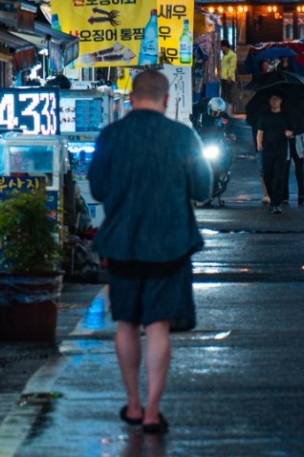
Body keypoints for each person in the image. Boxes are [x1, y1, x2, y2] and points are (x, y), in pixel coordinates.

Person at [88, 68, 213, 435]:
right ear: (166, 100)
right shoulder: (182, 136)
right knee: (158, 324)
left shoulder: (111, 136)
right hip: (170, 244)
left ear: (130, 98)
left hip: (122, 244)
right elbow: (203, 188)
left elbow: (96, 188)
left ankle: (133, 403)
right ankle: (153, 411)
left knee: (126, 322)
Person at [256, 93, 294, 214]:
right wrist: (259, 143)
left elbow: (291, 131)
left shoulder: (285, 116)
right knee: (267, 175)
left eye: (277, 99)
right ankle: (273, 199)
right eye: (272, 99)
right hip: (267, 149)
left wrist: (289, 134)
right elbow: (260, 131)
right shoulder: (264, 116)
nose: (274, 101)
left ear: (281, 101)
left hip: (281, 150)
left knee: (279, 176)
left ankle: (276, 203)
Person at [286, 129, 304, 205]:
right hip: (285, 145)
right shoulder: (282, 117)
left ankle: (301, 195)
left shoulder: (298, 118)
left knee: (300, 173)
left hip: (297, 146)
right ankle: (284, 196)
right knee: (284, 172)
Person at [219, 39, 238, 111]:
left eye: (221, 46)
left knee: (228, 95)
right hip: (223, 77)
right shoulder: (224, 55)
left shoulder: (232, 55)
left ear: (224, 46)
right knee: (224, 95)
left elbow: (232, 66)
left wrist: (229, 76)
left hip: (228, 78)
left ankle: (229, 111)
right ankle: (224, 110)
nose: (220, 48)